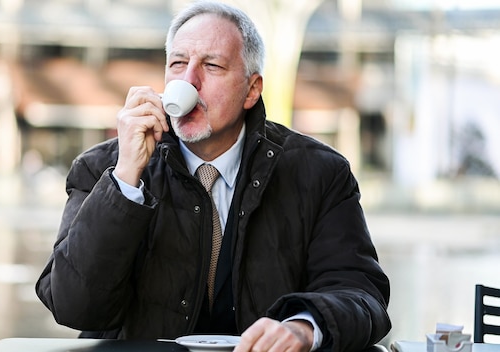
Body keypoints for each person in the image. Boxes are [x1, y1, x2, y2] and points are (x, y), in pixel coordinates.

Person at [35, 1, 391, 351]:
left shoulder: (319, 173)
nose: (188, 82)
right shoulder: (103, 169)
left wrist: (305, 325)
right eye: (177, 64)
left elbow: (362, 294)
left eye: (213, 66)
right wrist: (125, 180)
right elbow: (73, 307)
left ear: (251, 90)